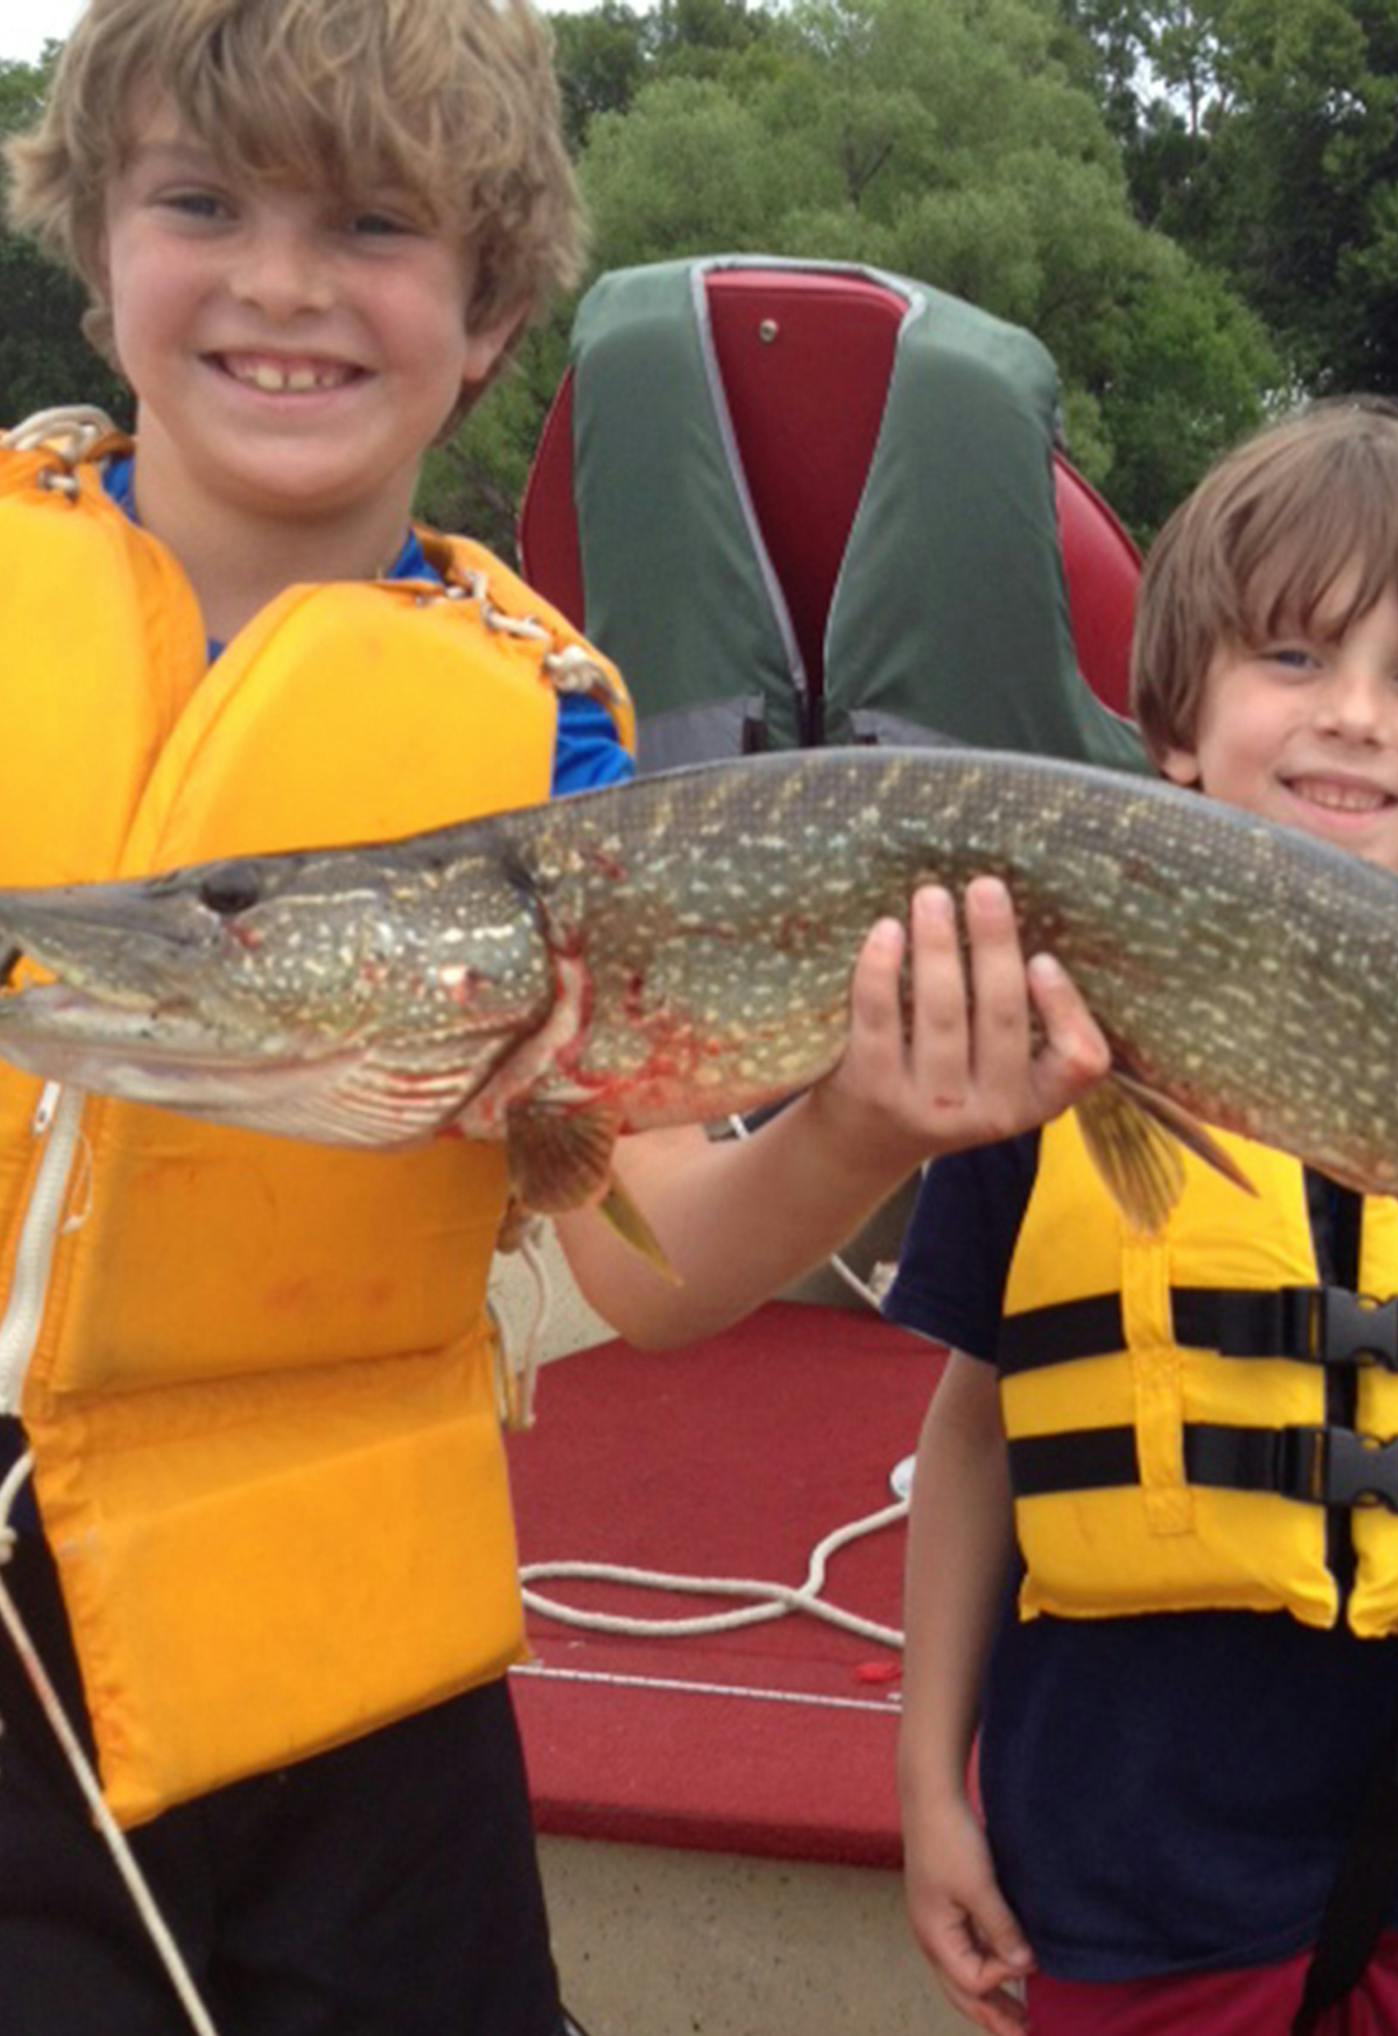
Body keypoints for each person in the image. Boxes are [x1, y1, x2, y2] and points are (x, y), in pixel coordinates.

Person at [0, 4, 1103, 2032]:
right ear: (95, 251)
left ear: (491, 307)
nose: (278, 282)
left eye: (372, 226)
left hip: (355, 1666)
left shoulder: (553, 738)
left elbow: (649, 1256)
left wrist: (859, 1121)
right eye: (200, 202)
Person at [886, 402, 1398, 2036]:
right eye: (1290, 656)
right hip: (1134, 1882)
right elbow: (978, 1437)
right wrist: (931, 1784)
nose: (1352, 720)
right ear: (1177, 721)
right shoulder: (1052, 1049)